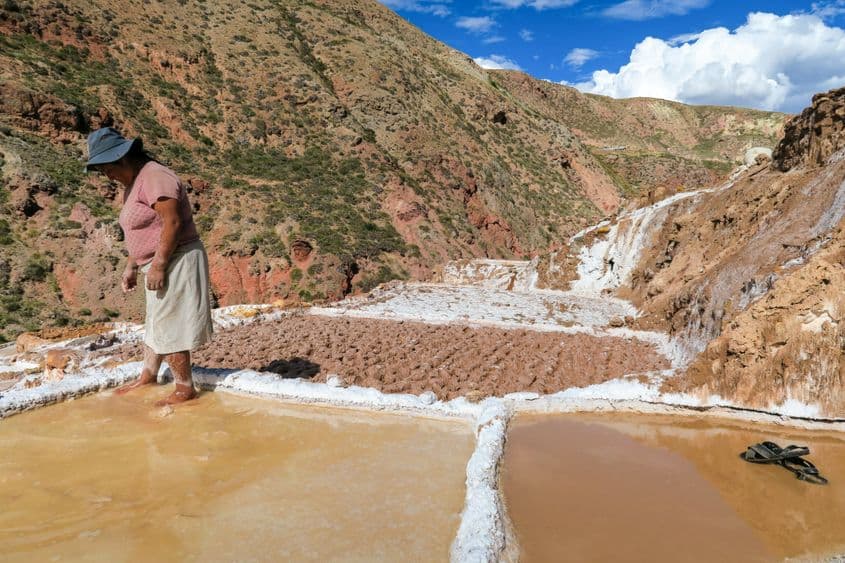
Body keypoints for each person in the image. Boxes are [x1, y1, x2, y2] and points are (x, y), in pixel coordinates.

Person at [85, 127, 213, 406]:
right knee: (156, 322)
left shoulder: (155, 176)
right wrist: (132, 265)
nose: (107, 176)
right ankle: (149, 374)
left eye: (107, 169)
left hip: (176, 259)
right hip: (155, 262)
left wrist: (159, 264)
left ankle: (184, 388)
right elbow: (140, 232)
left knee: (170, 324)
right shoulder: (134, 183)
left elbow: (172, 223)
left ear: (123, 159)